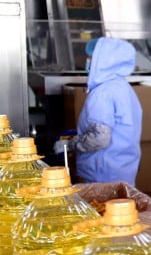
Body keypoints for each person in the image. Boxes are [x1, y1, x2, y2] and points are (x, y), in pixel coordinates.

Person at [55, 37, 142, 185]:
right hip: (123, 170)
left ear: (103, 61)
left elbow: (99, 138)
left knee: (100, 208)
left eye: (91, 57)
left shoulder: (102, 92)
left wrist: (70, 145)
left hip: (102, 173)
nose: (87, 60)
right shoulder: (124, 88)